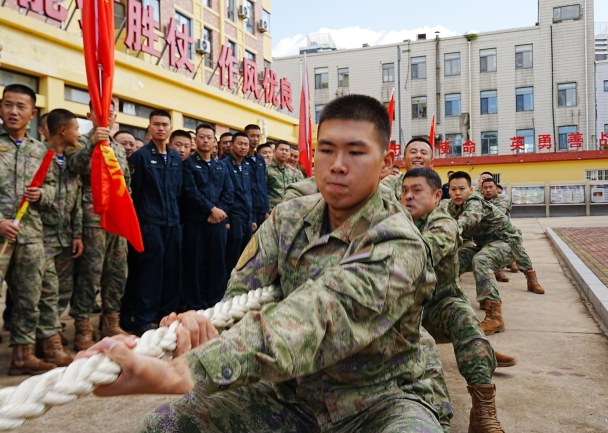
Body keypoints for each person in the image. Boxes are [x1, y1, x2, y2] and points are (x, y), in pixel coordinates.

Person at [81, 94, 444, 433]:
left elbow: (323, 313)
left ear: (385, 164)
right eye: (327, 149)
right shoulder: (289, 219)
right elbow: (241, 300)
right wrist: (191, 333)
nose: (337, 165)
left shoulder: (399, 241)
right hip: (291, 394)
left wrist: (190, 368)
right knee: (166, 425)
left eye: (356, 152)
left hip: (382, 399)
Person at [401, 167, 512, 433]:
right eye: (404, 191)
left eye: (417, 191)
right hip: (403, 313)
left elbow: (421, 253)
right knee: (425, 357)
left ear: (437, 196)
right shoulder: (393, 220)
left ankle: (484, 414)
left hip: (439, 306)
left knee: (467, 322)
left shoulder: (444, 223)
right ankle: (438, 420)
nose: (408, 197)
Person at [0, 84, 61, 375]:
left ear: (32, 113)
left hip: (31, 234)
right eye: (7, 105)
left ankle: (22, 356)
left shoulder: (41, 152)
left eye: (20, 107)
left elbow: (54, 190)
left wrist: (42, 195)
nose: (13, 111)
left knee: (29, 298)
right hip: (2, 232)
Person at [65, 100, 130, 350]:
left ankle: (110, 322)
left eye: (111, 112)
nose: (108, 117)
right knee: (90, 276)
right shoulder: (80, 142)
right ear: (89, 114)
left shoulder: (119, 148)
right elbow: (74, 168)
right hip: (92, 218)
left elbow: (125, 184)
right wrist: (92, 144)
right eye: (102, 112)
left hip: (118, 218)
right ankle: (83, 327)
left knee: (117, 273)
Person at [447, 171, 545, 335]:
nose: (457, 193)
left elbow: (471, 217)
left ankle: (494, 318)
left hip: (508, 242)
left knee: (482, 260)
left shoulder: (475, 201)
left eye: (461, 189)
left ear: (470, 190)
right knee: (452, 260)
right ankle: (450, 305)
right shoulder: (452, 206)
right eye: (453, 189)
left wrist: (452, 229)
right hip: (485, 244)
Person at [123, 109, 183, 336]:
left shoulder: (176, 157)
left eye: (164, 124)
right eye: (156, 124)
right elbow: (135, 192)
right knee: (150, 272)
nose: (160, 128)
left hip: (173, 223)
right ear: (149, 127)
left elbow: (178, 190)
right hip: (150, 224)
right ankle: (144, 319)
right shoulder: (141, 157)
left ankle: (166, 315)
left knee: (171, 270)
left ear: (169, 128)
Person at [39, 109, 83, 357]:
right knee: (46, 291)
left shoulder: (70, 163)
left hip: (65, 237)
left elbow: (76, 203)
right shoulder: (38, 156)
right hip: (42, 236)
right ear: (63, 130)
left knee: (63, 291)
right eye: (76, 129)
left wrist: (77, 234)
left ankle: (49, 337)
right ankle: (48, 344)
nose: (78, 134)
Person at [181, 124, 233, 309]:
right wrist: (210, 209)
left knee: (217, 262)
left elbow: (229, 191)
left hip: (217, 222)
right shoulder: (188, 164)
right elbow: (190, 191)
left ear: (214, 141)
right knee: (195, 264)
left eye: (208, 137)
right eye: (201, 137)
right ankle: (194, 304)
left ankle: (215, 301)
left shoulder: (221, 165)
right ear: (195, 139)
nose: (205, 140)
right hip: (196, 221)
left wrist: (220, 211)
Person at [222, 132, 256, 276]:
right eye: (240, 143)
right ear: (232, 145)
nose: (243, 147)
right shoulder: (224, 165)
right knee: (232, 254)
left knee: (246, 253)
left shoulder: (248, 166)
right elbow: (223, 193)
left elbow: (250, 193)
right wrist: (226, 219)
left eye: (246, 144)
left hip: (246, 216)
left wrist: (253, 218)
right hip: (233, 216)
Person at [265, 140, 304, 211]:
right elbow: (261, 192)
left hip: (288, 211)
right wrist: (264, 211)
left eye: (286, 150)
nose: (284, 152)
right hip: (271, 210)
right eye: (282, 149)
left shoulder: (292, 171)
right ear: (274, 151)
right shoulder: (267, 169)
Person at [244, 124, 269, 227]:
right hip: (248, 211)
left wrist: (266, 210)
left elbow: (263, 185)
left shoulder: (260, 159)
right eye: (252, 136)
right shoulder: (241, 159)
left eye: (258, 136)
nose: (255, 139)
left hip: (262, 210)